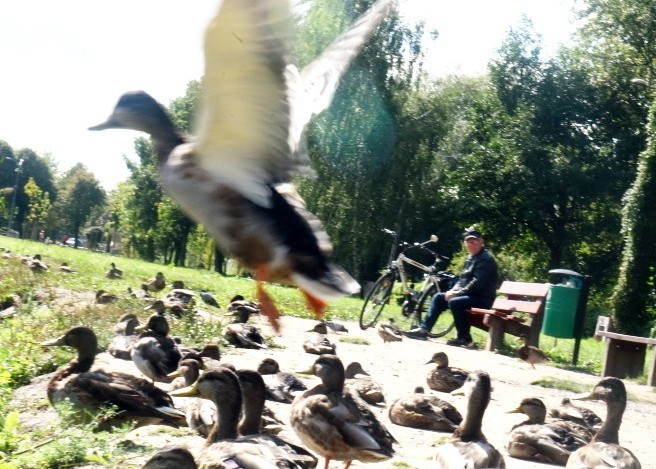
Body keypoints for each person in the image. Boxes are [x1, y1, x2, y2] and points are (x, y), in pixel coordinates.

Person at [404, 228, 498, 346]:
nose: (471, 244)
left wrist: (456, 294)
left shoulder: (486, 259)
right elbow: (462, 279)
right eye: (468, 242)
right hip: (469, 295)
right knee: (439, 297)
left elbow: (477, 283)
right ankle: (423, 330)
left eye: (474, 242)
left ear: (481, 242)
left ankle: (464, 337)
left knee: (455, 302)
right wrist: (452, 290)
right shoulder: (470, 258)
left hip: (483, 298)